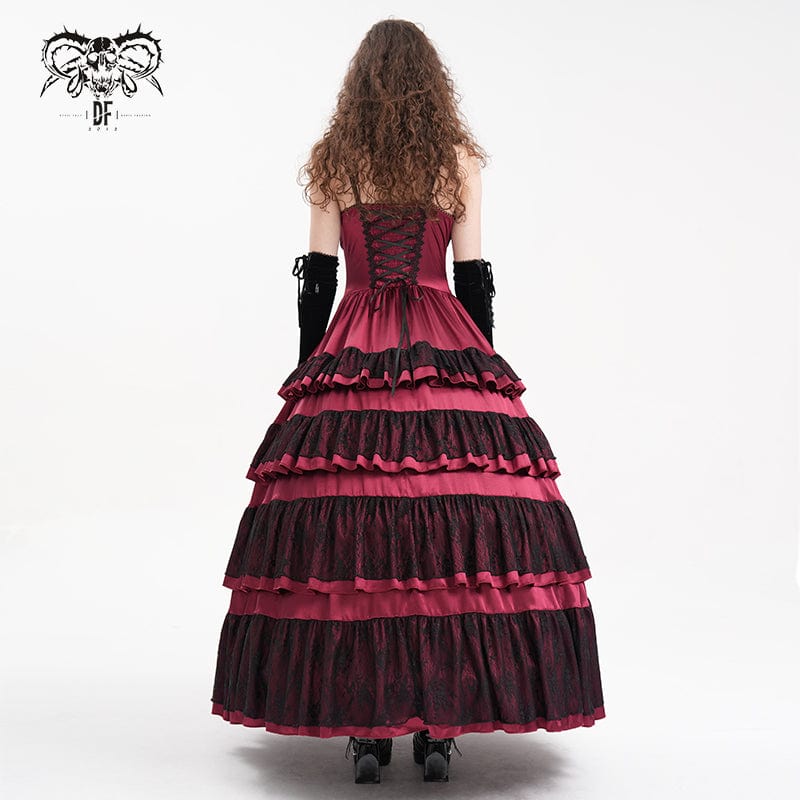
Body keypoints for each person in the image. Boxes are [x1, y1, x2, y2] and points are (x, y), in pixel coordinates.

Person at [211, 18, 605, 784]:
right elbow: (473, 279)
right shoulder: (457, 160)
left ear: (359, 84)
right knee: (450, 542)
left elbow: (318, 281)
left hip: (355, 336)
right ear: (433, 85)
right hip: (441, 332)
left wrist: (311, 375)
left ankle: (369, 733)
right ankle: (437, 731)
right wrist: (482, 371)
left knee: (360, 534)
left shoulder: (336, 160)